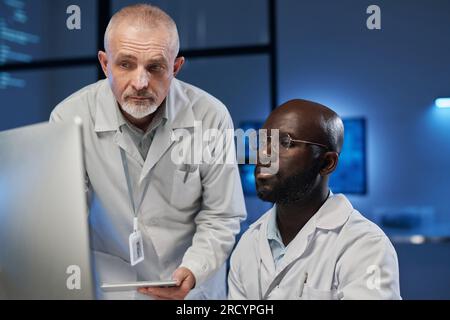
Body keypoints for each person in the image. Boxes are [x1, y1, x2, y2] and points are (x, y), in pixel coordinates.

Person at [50, 4, 246, 300]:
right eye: (125, 64)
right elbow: (63, 219)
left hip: (191, 286)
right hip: (113, 284)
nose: (140, 83)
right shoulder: (69, 117)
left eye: (155, 67)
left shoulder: (210, 116)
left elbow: (222, 215)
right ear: (105, 64)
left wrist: (193, 270)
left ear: (176, 67)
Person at [228, 99, 401, 300]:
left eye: (284, 143)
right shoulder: (248, 244)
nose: (263, 155)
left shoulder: (365, 245)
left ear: (327, 163)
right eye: (262, 142)